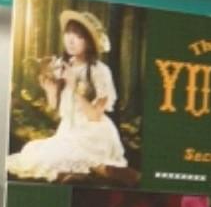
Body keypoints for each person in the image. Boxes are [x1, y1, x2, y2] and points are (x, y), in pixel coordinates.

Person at [7, 11, 129, 183]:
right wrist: (50, 90)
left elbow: (95, 116)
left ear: (89, 42)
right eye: (68, 33)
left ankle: (94, 171)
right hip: (68, 131)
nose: (70, 40)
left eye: (78, 36)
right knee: (32, 152)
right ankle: (79, 173)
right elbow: (57, 109)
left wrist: (73, 85)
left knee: (50, 160)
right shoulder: (64, 65)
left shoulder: (100, 71)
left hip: (92, 135)